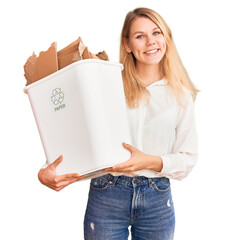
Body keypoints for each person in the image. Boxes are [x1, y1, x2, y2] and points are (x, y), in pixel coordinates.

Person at [38, 7, 198, 240]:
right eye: (140, 36)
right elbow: (77, 132)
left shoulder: (181, 95)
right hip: (107, 194)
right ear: (127, 45)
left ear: (166, 37)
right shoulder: (105, 84)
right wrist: (47, 170)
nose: (150, 42)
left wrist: (148, 161)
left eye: (156, 33)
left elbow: (188, 158)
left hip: (157, 200)